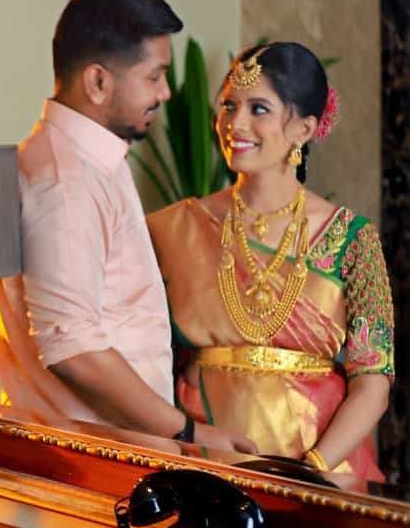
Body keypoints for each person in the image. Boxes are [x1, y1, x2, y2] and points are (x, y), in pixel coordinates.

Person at [0, 0, 255, 455]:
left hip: (106, 453)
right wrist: (187, 432)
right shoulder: (66, 181)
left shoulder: (82, 161)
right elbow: (76, 351)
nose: (167, 93)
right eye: (154, 76)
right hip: (90, 463)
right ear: (97, 81)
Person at [146, 43, 392, 479]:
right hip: (201, 457)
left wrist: (313, 469)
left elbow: (373, 379)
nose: (235, 123)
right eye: (228, 105)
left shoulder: (353, 239)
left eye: (258, 108)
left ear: (303, 128)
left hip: (321, 467)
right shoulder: (172, 229)